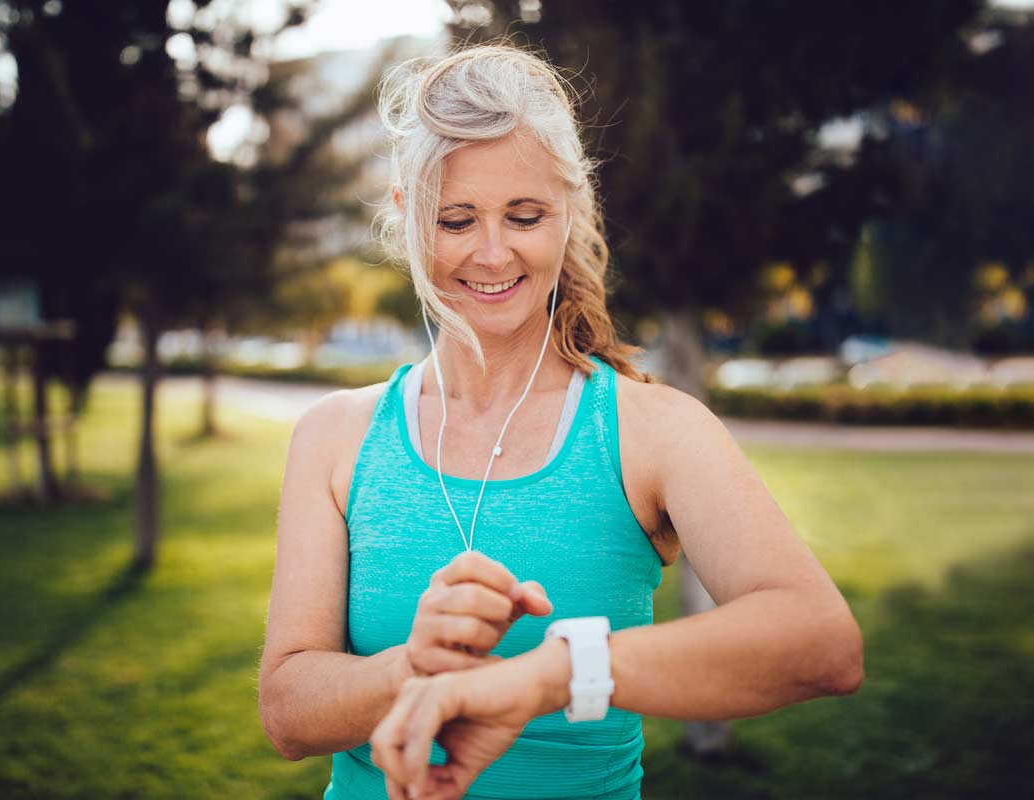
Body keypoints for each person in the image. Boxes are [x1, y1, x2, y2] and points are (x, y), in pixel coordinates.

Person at [258, 43, 864, 800]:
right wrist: (414, 665)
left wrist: (557, 670)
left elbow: (823, 645)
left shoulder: (653, 431)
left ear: (568, 209)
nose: (491, 252)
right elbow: (286, 713)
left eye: (524, 214)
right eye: (454, 219)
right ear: (403, 216)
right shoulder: (335, 435)